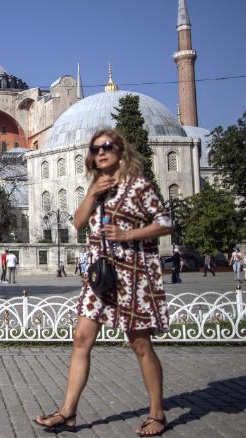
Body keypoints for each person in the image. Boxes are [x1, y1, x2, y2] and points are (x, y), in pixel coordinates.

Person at [34, 129, 172, 436]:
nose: (101, 152)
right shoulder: (98, 188)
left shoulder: (138, 186)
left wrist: (128, 235)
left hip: (132, 274)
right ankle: (67, 413)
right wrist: (93, 193)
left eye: (107, 147)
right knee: (82, 338)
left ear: (121, 151)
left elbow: (166, 222)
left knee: (139, 343)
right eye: (96, 149)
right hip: (100, 274)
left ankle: (157, 414)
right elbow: (78, 223)